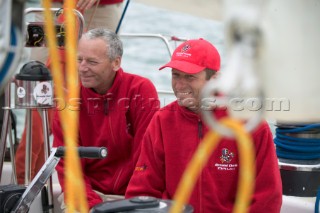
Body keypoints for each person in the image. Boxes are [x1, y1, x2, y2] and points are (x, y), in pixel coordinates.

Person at [125, 38, 282, 212]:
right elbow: (142, 190)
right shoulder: (162, 121)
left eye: (190, 77)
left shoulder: (249, 123)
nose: (179, 85)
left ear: (214, 79)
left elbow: (267, 197)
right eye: (175, 75)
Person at [15, 0, 124, 184]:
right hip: (53, 7)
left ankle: (89, 177)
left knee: (93, 88)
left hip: (100, 9)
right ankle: (28, 178)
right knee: (36, 80)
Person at [52, 28, 159, 211]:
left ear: (116, 63)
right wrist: (94, 206)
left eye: (92, 62)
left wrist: (130, 204)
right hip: (88, 193)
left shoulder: (140, 90)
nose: (82, 68)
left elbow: (147, 158)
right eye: (79, 59)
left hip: (132, 193)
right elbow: (68, 167)